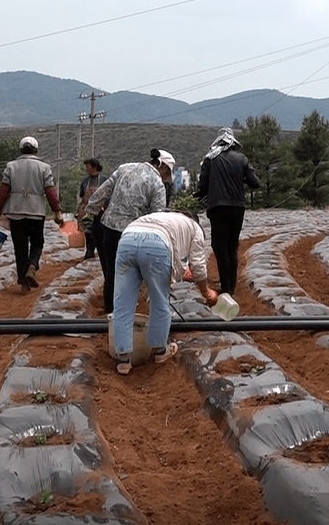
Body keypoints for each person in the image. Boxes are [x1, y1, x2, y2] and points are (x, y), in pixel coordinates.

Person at [111, 210, 219, 375]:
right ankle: (160, 351)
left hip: (127, 239)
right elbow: (198, 265)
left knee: (122, 303)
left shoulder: (164, 218)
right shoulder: (195, 228)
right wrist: (206, 291)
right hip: (156, 243)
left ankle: (123, 359)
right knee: (159, 299)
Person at [86, 148, 176, 314]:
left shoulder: (124, 168)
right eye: (167, 173)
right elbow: (157, 217)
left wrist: (92, 209)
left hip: (109, 229)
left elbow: (102, 192)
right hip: (133, 235)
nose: (165, 178)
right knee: (130, 274)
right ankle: (124, 313)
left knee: (112, 273)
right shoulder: (157, 184)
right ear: (162, 167)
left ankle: (110, 312)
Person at [0, 136, 64, 293]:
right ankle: (32, 266)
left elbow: (3, 190)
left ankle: (24, 282)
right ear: (36, 151)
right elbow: (50, 192)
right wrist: (57, 211)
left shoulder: (11, 166)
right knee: (37, 243)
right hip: (36, 213)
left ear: (20, 150)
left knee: (20, 247)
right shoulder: (44, 168)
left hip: (16, 212)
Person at [194, 127, 260, 296]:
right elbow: (255, 183)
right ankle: (231, 285)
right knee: (232, 246)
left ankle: (225, 287)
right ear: (232, 143)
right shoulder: (242, 159)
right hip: (238, 208)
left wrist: (197, 195)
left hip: (217, 208)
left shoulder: (210, 160)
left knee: (219, 246)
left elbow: (202, 187)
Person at [77, 158, 108, 260]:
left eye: (87, 166)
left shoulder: (104, 179)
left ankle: (99, 251)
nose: (86, 169)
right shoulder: (85, 181)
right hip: (87, 209)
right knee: (88, 230)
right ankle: (89, 251)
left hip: (101, 209)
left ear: (94, 167)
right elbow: (82, 195)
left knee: (99, 231)